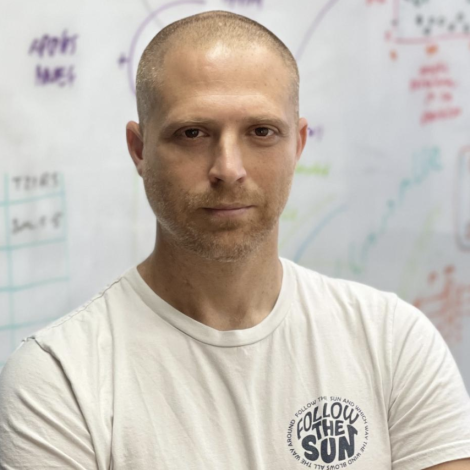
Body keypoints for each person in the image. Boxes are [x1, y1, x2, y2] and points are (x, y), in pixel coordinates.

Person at [1, 10, 469, 470]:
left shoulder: (392, 340)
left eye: (261, 132)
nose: (228, 169)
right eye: (192, 133)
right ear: (140, 150)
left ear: (298, 144)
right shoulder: (59, 378)